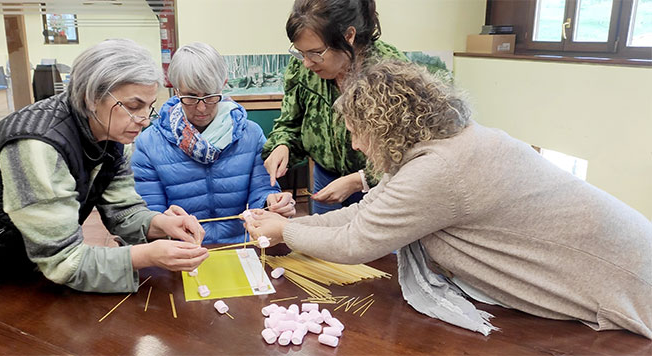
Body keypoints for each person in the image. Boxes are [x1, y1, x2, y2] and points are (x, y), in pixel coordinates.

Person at [246, 60, 652, 339]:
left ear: (384, 125)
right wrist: (290, 227)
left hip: (630, 279)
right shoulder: (441, 145)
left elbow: (356, 242)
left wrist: (285, 230)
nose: (353, 143)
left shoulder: (438, 170)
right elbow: (364, 213)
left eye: (356, 130)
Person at [0, 39, 209, 308]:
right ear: (92, 97)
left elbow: (124, 210)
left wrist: (160, 224)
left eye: (149, 107)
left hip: (3, 250)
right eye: (134, 106)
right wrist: (148, 256)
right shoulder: (38, 146)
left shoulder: (112, 133)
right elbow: (64, 261)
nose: (143, 120)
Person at [132, 42, 295, 245]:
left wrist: (272, 203)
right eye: (190, 97)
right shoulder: (150, 144)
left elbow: (262, 190)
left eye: (210, 96)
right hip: (181, 250)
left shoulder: (250, 134)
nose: (201, 108)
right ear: (177, 91)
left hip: (242, 245)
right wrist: (163, 221)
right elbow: (150, 215)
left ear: (223, 85)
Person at [262, 0, 406, 214]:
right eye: (300, 53)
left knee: (374, 244)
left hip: (382, 186)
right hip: (325, 178)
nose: (306, 63)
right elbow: (289, 124)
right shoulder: (303, 68)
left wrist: (360, 180)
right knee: (324, 239)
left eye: (315, 53)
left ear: (349, 36)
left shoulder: (392, 73)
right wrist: (282, 146)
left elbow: (407, 152)